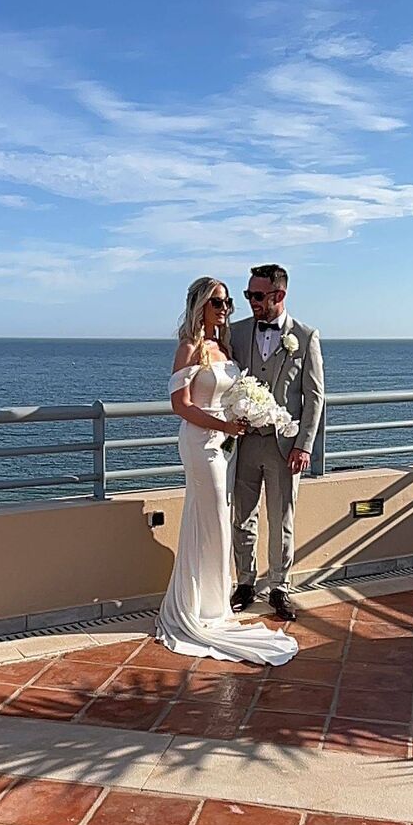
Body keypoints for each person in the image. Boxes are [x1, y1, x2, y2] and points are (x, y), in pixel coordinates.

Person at [155, 277, 297, 665]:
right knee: (215, 518)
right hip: (202, 444)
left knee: (212, 519)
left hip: (224, 444)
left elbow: (227, 395)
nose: (225, 308)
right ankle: (202, 611)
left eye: (228, 302)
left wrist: (245, 414)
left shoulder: (224, 346)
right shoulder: (190, 348)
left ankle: (211, 604)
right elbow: (180, 406)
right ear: (200, 305)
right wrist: (224, 426)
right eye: (218, 302)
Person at [230, 264, 325, 623]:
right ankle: (244, 582)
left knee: (281, 518)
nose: (251, 302)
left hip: (285, 446)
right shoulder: (236, 333)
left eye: (257, 295)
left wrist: (304, 446)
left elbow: (315, 397)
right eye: (248, 295)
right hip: (245, 443)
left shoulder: (305, 335)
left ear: (278, 296)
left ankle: (280, 586)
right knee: (243, 517)